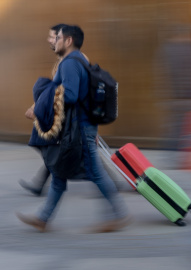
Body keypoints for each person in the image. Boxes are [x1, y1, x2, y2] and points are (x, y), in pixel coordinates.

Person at [16, 25, 131, 233]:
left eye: (58, 37)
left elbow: (70, 95)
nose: (54, 41)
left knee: (95, 173)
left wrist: (40, 105)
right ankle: (43, 218)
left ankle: (118, 214)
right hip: (81, 127)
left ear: (68, 40)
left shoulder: (69, 63)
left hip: (78, 128)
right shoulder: (80, 60)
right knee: (58, 173)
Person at [19, 24, 68, 196]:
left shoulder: (68, 62)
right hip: (61, 114)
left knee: (52, 148)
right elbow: (51, 91)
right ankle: (43, 183)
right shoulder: (60, 61)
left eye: (52, 36)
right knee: (53, 149)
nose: (48, 40)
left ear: (62, 38)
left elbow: (60, 92)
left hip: (66, 115)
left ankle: (108, 184)